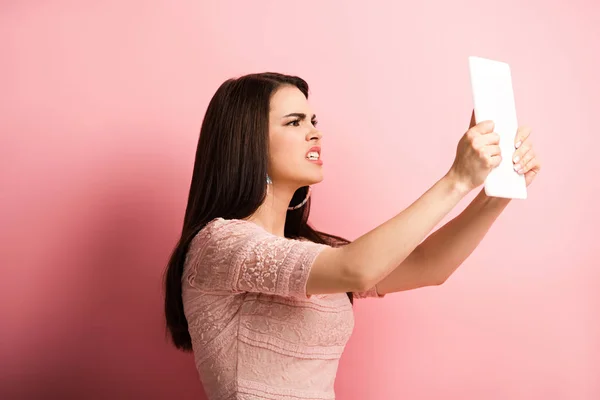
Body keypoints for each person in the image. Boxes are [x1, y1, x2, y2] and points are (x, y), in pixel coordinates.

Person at [163, 72, 541, 399]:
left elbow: (429, 265)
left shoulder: (311, 251)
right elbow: (356, 268)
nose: (316, 132)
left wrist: (498, 194)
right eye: (295, 122)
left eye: (313, 119)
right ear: (248, 143)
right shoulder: (220, 244)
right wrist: (457, 179)